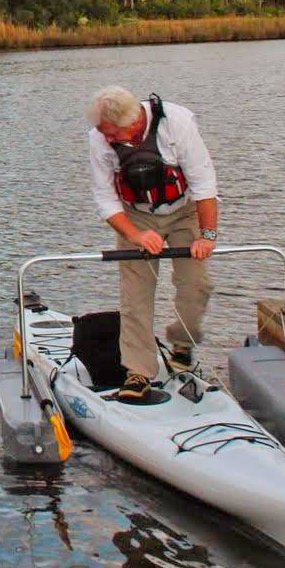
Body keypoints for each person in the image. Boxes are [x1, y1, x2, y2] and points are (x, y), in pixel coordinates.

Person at [87, 86, 219, 400]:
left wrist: (207, 236)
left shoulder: (178, 123)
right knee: (136, 297)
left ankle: (181, 345)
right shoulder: (97, 138)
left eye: (112, 134)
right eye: (103, 133)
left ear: (132, 124)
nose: (107, 140)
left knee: (196, 285)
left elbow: (204, 183)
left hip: (185, 211)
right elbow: (106, 199)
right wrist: (135, 235)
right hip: (136, 216)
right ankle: (138, 372)